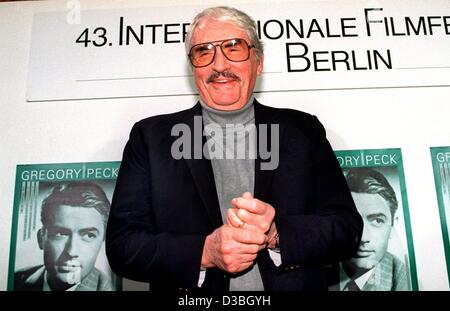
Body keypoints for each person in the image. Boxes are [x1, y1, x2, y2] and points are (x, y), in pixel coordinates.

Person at [106, 6, 362, 291]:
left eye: (233, 48)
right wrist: (206, 251)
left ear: (259, 61)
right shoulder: (150, 138)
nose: (219, 66)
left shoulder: (302, 131)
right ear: (193, 68)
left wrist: (276, 233)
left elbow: (346, 230)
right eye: (204, 52)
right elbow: (122, 247)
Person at [14, 181, 114, 291]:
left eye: (89, 235)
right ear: (41, 238)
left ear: (103, 241)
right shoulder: (16, 281)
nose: (72, 251)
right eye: (60, 234)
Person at [328, 168, 410, 291]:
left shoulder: (404, 279)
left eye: (377, 221)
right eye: (350, 221)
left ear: (393, 226)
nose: (363, 238)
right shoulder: (313, 269)